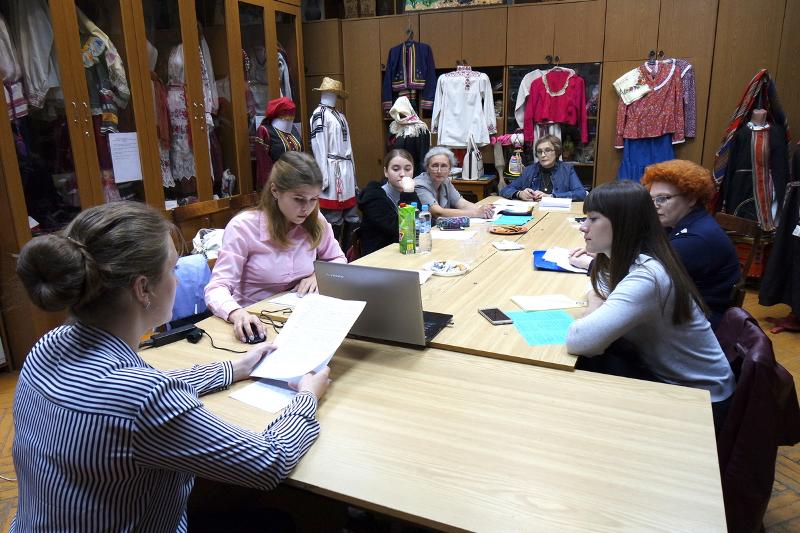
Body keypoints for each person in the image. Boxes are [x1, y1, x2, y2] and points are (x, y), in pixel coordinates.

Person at [11, 201, 330, 531]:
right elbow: (270, 462)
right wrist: (306, 397)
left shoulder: (48, 346)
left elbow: (147, 385)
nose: (177, 281)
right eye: (173, 269)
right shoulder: (145, 398)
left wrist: (235, 369)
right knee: (277, 521)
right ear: (143, 289)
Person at [565, 181, 735, 433]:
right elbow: (599, 288)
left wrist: (593, 307)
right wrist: (597, 301)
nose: (583, 226)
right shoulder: (628, 259)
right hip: (671, 378)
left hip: (700, 400)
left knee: (585, 371)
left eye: (593, 219)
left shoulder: (648, 276)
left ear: (623, 223)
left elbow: (580, 341)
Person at [205, 152, 346, 343]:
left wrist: (318, 276)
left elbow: (338, 259)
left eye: (314, 199)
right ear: (275, 191)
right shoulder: (243, 227)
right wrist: (237, 313)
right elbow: (217, 287)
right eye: (299, 199)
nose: (307, 208)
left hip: (298, 319)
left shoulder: (315, 220)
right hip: (254, 322)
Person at [641, 159, 740, 328]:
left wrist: (600, 260)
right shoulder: (682, 222)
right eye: (652, 200)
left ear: (691, 199)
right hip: (684, 309)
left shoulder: (695, 239)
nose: (655, 206)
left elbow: (644, 278)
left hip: (699, 323)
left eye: (663, 198)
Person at [358, 149, 422, 255]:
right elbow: (401, 231)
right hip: (380, 255)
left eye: (407, 169)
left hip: (407, 251)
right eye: (396, 169)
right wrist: (408, 193)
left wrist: (409, 193)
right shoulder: (373, 197)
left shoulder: (410, 192)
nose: (402, 174)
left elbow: (420, 223)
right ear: (386, 172)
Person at [414, 146, 494, 220]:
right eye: (435, 165)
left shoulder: (445, 181)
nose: (439, 171)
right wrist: (476, 213)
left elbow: (462, 203)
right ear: (427, 168)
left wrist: (483, 209)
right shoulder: (419, 185)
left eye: (444, 166)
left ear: (450, 169)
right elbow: (438, 212)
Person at [499, 135, 587, 201]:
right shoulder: (529, 170)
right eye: (539, 151)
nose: (543, 155)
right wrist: (519, 194)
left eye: (547, 150)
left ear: (556, 152)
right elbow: (505, 190)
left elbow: (581, 193)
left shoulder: (567, 169)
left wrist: (551, 196)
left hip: (558, 213)